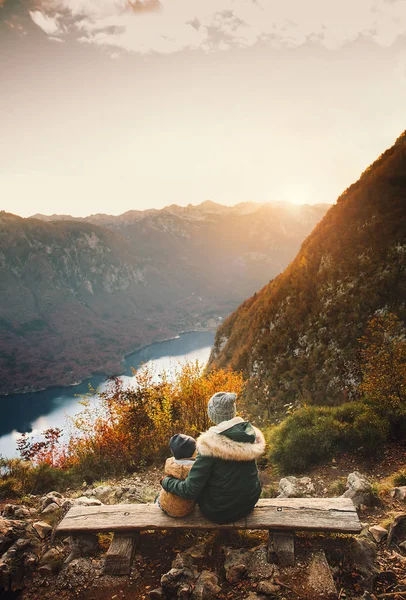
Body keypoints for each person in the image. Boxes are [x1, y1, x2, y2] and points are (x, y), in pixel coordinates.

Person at [160, 392, 266, 524]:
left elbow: (190, 490)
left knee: (197, 484)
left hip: (221, 511)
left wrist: (166, 482)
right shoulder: (248, 434)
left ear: (212, 415)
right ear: (233, 412)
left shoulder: (209, 445)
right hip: (249, 501)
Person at [157, 433, 197, 517]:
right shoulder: (194, 467)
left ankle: (158, 502)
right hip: (184, 510)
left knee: (158, 497)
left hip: (164, 504)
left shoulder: (170, 463)